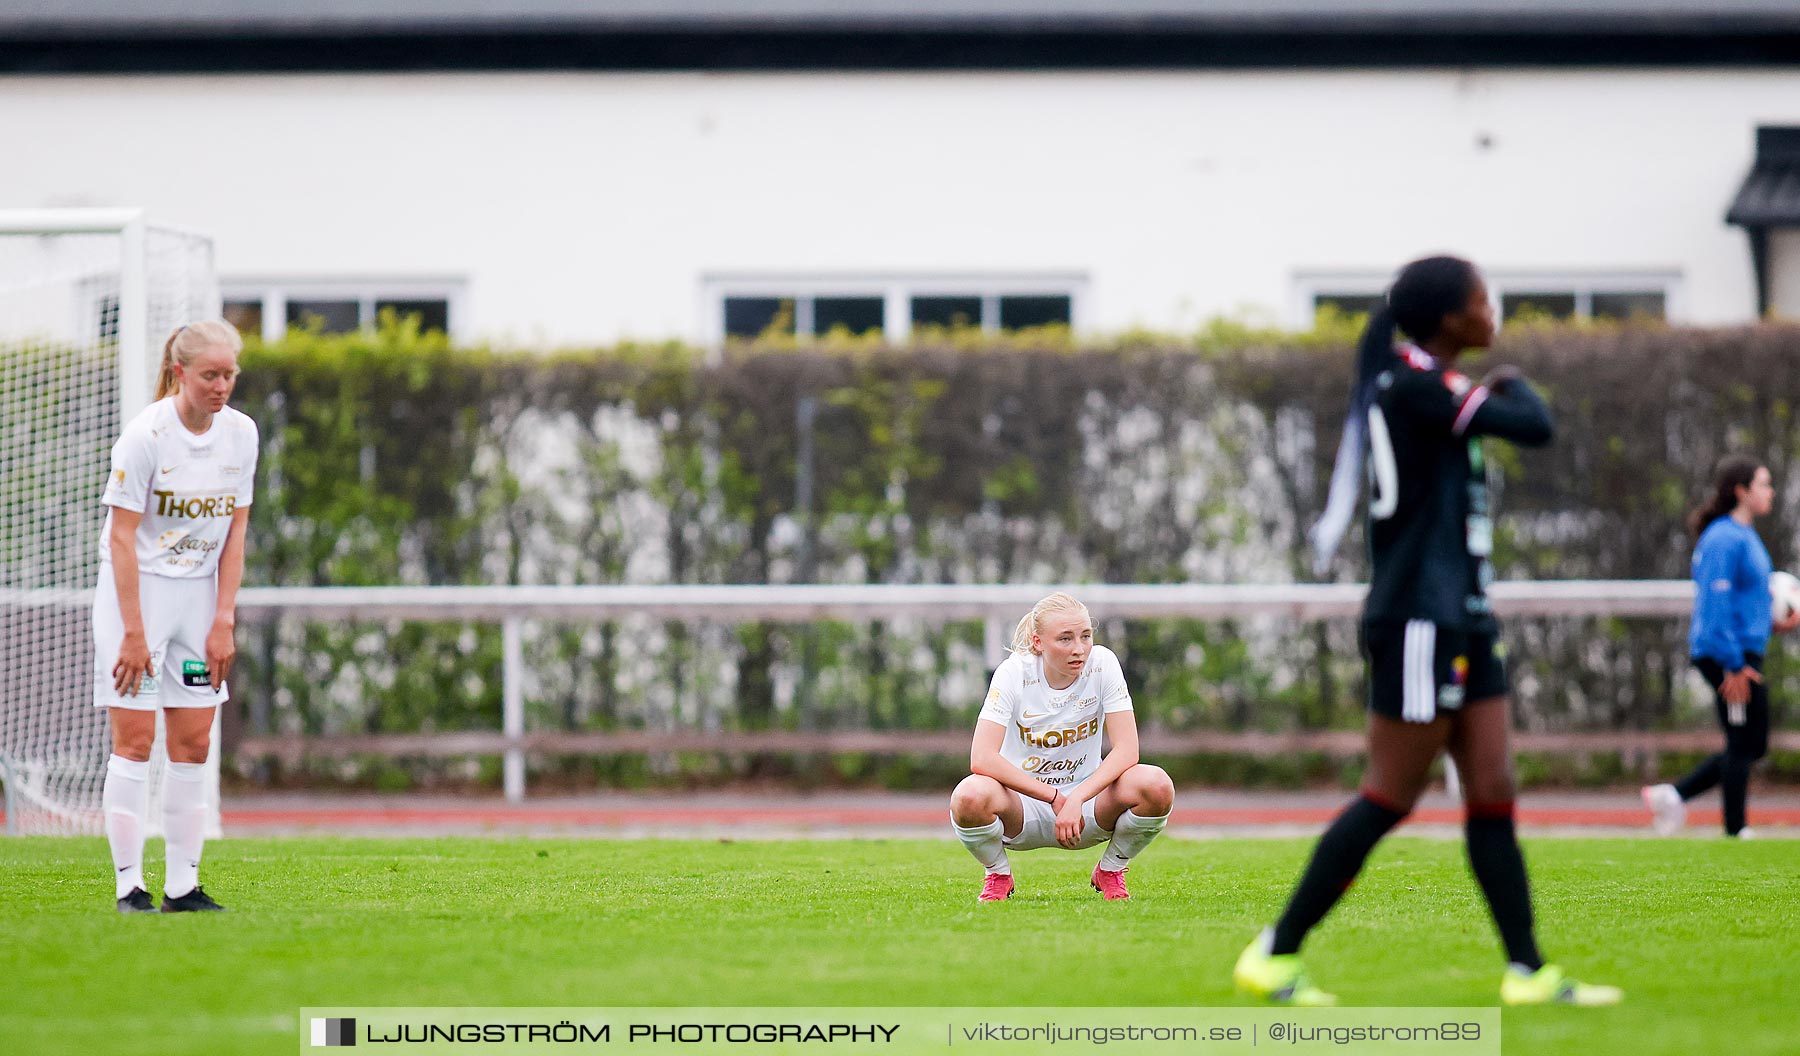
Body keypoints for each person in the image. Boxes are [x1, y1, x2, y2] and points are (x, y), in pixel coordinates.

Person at [1233, 256, 1621, 1006]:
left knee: (1493, 787)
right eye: (1483, 299)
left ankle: (1527, 972)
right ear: (1450, 319)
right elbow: (1534, 426)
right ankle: (1274, 954)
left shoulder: (1430, 383)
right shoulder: (1417, 384)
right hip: (1417, 617)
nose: (1492, 310)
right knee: (1391, 794)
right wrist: (1510, 383)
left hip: (1464, 614)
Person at [96, 320, 257, 913]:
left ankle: (183, 887)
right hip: (136, 599)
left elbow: (236, 530)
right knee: (135, 740)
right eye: (211, 374)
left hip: (198, 603)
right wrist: (134, 632)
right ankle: (128, 886)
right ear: (179, 372)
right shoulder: (145, 437)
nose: (222, 386)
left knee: (192, 742)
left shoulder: (241, 435)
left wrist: (223, 619)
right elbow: (121, 539)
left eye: (230, 374)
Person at [949, 592, 1173, 902]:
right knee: (969, 796)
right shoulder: (1013, 673)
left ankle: (1111, 869)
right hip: (1023, 807)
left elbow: (1127, 750)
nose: (1079, 649)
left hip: (1087, 806)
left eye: (1085, 636)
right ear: (1038, 642)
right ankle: (998, 874)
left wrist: (1076, 798)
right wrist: (1053, 797)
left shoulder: (1103, 664)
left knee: (1157, 785)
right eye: (1065, 639)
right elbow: (982, 757)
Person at [1643, 456, 1796, 838]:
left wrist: (1772, 624)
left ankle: (1673, 794)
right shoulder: (1722, 538)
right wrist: (1732, 664)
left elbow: (1746, 602)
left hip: (1744, 649)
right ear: (1741, 491)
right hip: (1726, 655)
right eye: (1763, 483)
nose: (1770, 491)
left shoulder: (1746, 536)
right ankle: (1735, 828)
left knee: (1751, 741)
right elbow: (1714, 608)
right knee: (1743, 739)